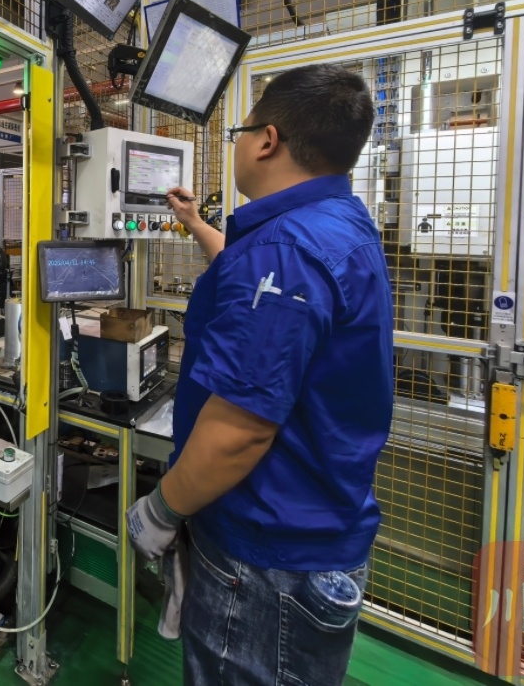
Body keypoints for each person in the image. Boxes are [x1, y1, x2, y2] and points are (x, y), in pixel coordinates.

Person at [127, 64, 394, 686]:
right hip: (316, 530)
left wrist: (161, 511)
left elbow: (240, 433)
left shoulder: (286, 251)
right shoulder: (335, 223)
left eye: (240, 132)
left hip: (266, 560)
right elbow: (266, 287)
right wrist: (197, 225)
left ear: (267, 140)